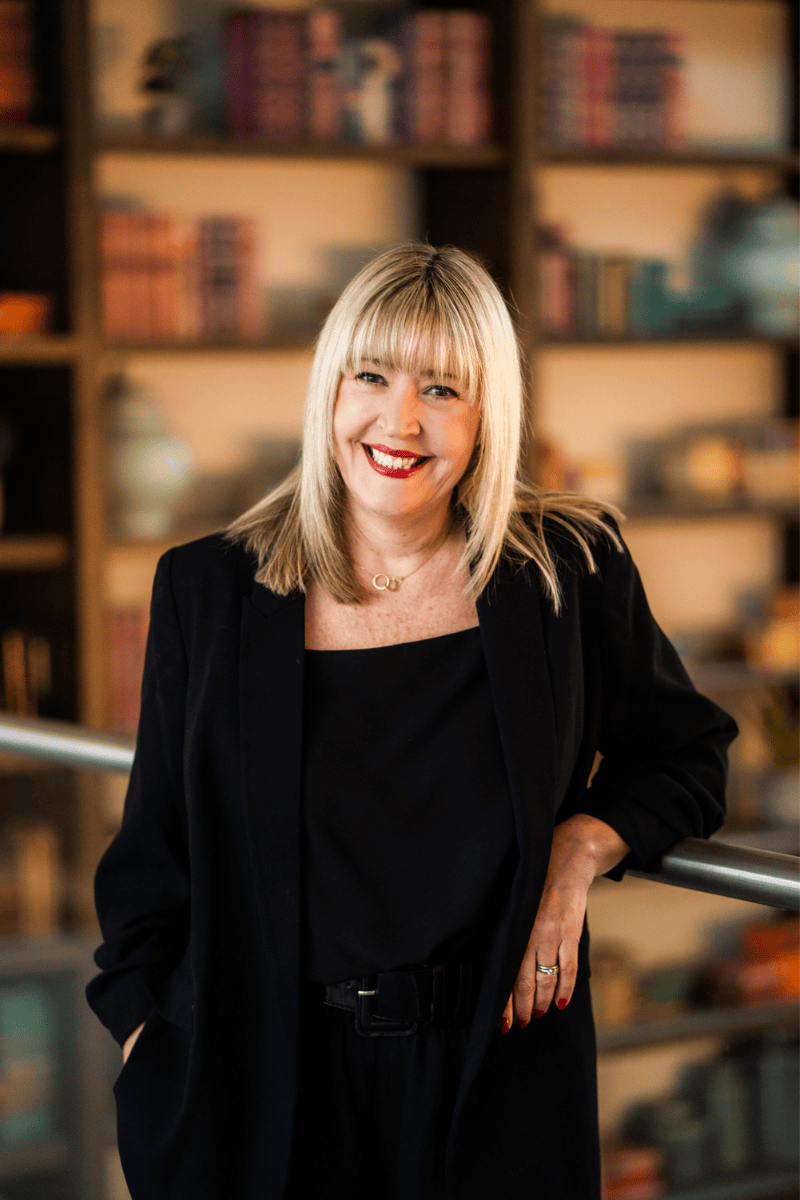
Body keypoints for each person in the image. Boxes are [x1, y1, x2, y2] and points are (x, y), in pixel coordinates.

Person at [86, 242, 737, 1200]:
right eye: (372, 375)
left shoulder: (568, 571)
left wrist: (578, 852)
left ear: (489, 415)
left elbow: (688, 755)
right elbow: (152, 859)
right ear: (330, 391)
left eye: (443, 388)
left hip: (493, 1079)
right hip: (263, 1088)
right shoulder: (209, 590)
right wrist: (152, 1036)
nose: (399, 420)